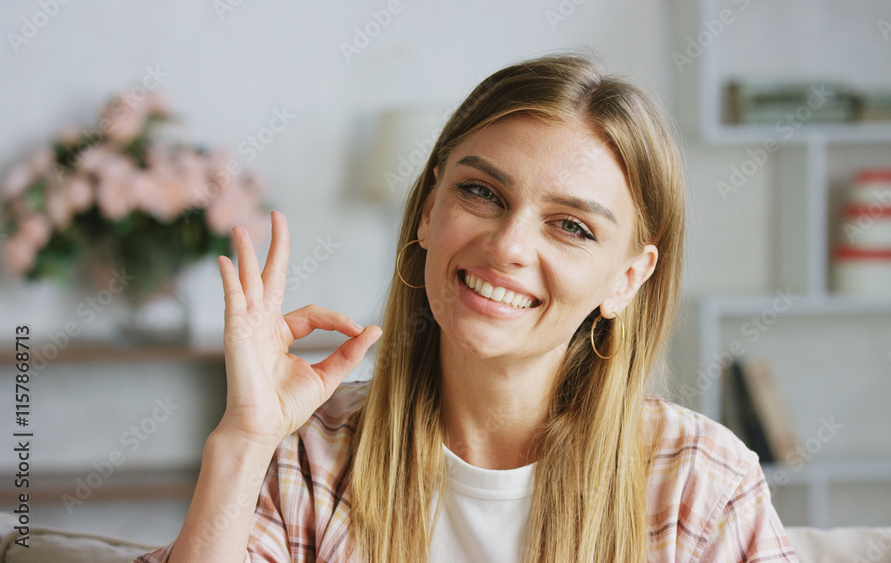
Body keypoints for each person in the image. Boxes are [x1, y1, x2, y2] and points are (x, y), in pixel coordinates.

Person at [136, 53, 798, 562]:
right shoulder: (310, 458)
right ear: (429, 208)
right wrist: (244, 440)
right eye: (482, 192)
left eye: (572, 226)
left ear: (625, 279)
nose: (506, 245)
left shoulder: (701, 482)